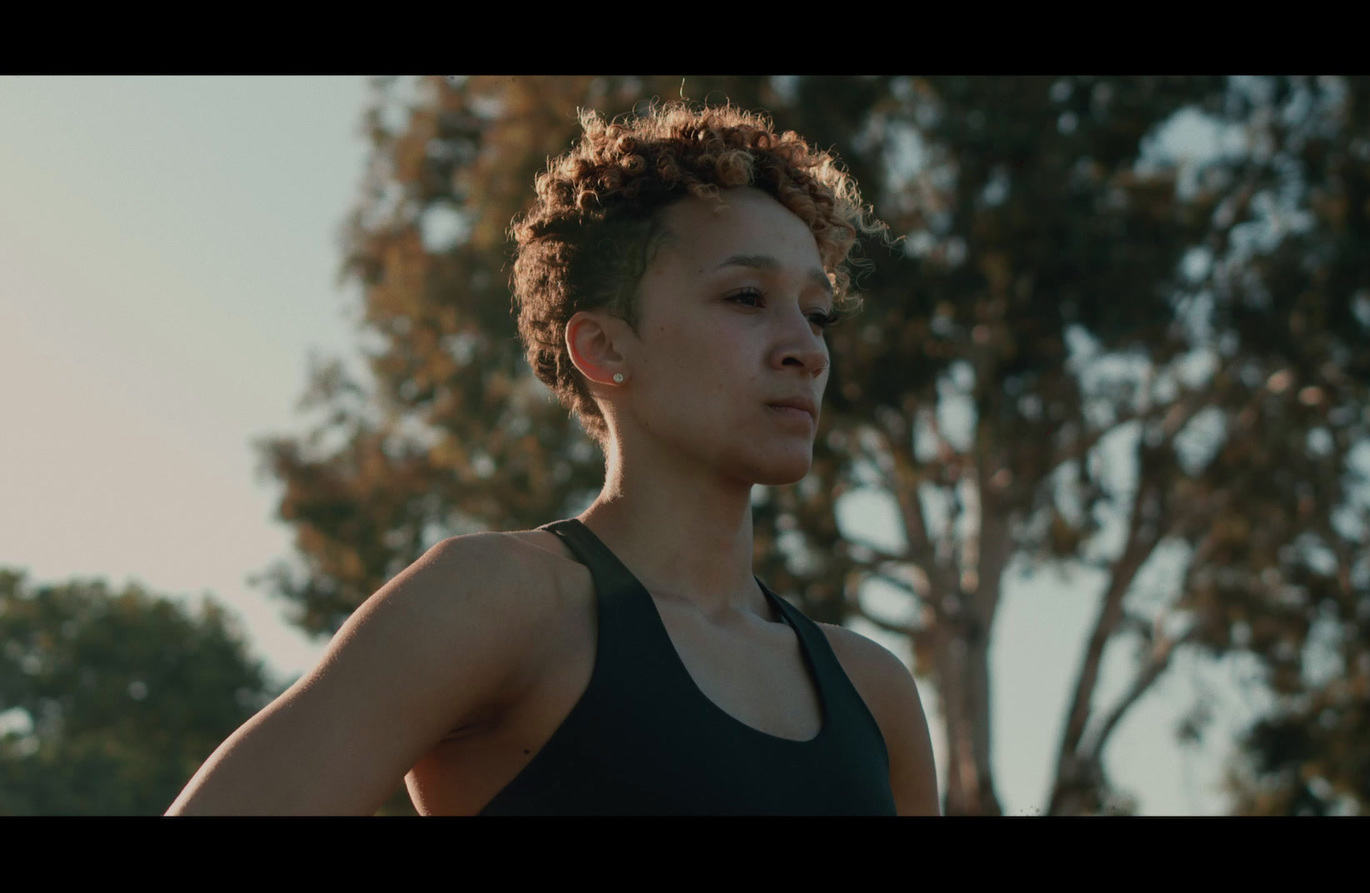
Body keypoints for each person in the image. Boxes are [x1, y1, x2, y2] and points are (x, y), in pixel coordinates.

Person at [166, 99, 941, 816]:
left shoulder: (874, 693)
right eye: (746, 298)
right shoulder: (496, 602)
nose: (806, 348)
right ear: (604, 347)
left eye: (818, 314)